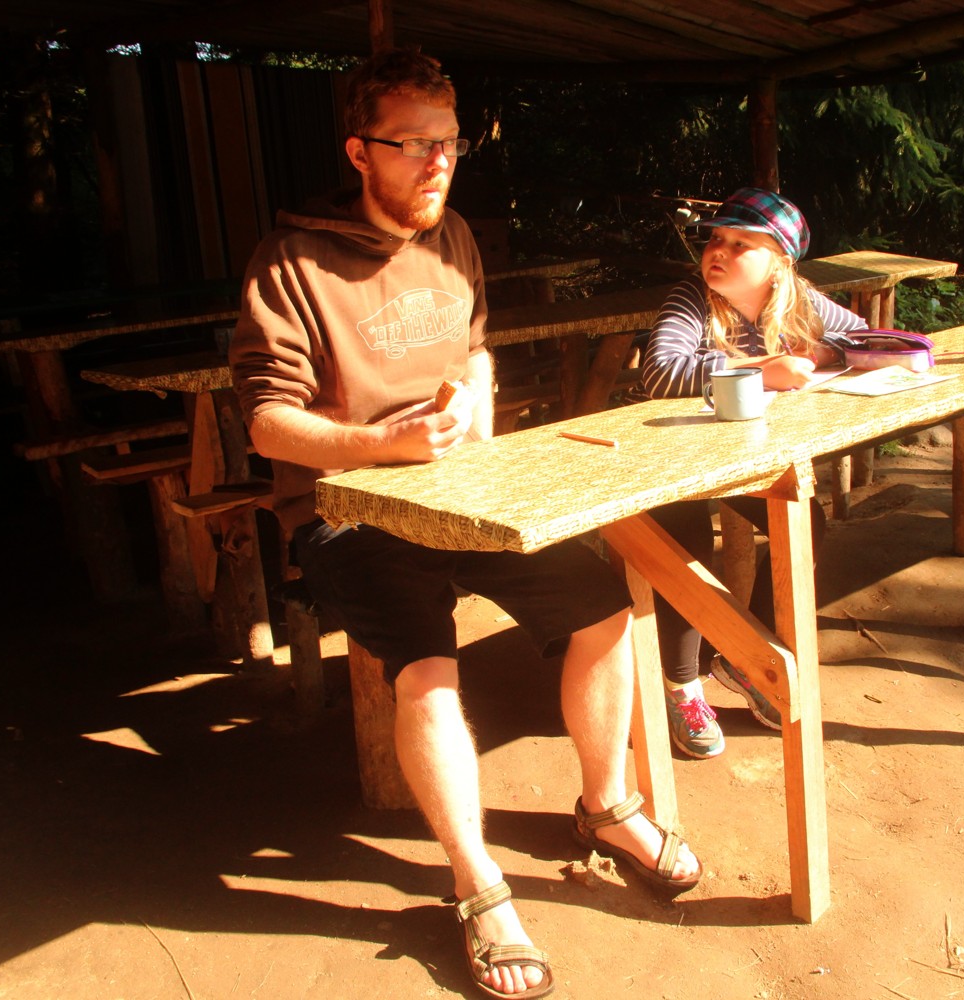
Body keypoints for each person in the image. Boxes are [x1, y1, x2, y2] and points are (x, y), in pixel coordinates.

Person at [229, 48, 700, 999]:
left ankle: (606, 806)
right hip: (345, 509)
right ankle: (478, 884)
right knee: (430, 671)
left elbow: (476, 350)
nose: (437, 162)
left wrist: (472, 407)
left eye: (448, 143)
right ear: (359, 151)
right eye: (413, 145)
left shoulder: (453, 239)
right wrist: (380, 444)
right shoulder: (292, 262)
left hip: (462, 492)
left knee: (605, 609)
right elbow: (266, 421)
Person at [632, 187, 868, 760]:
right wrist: (764, 370)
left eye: (741, 244)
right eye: (716, 239)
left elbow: (862, 337)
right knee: (684, 545)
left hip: (740, 459)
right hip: (664, 462)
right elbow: (659, 375)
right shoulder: (693, 298)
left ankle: (744, 659)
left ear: (780, 263)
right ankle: (681, 686)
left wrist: (816, 356)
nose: (719, 251)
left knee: (803, 519)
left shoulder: (798, 300)